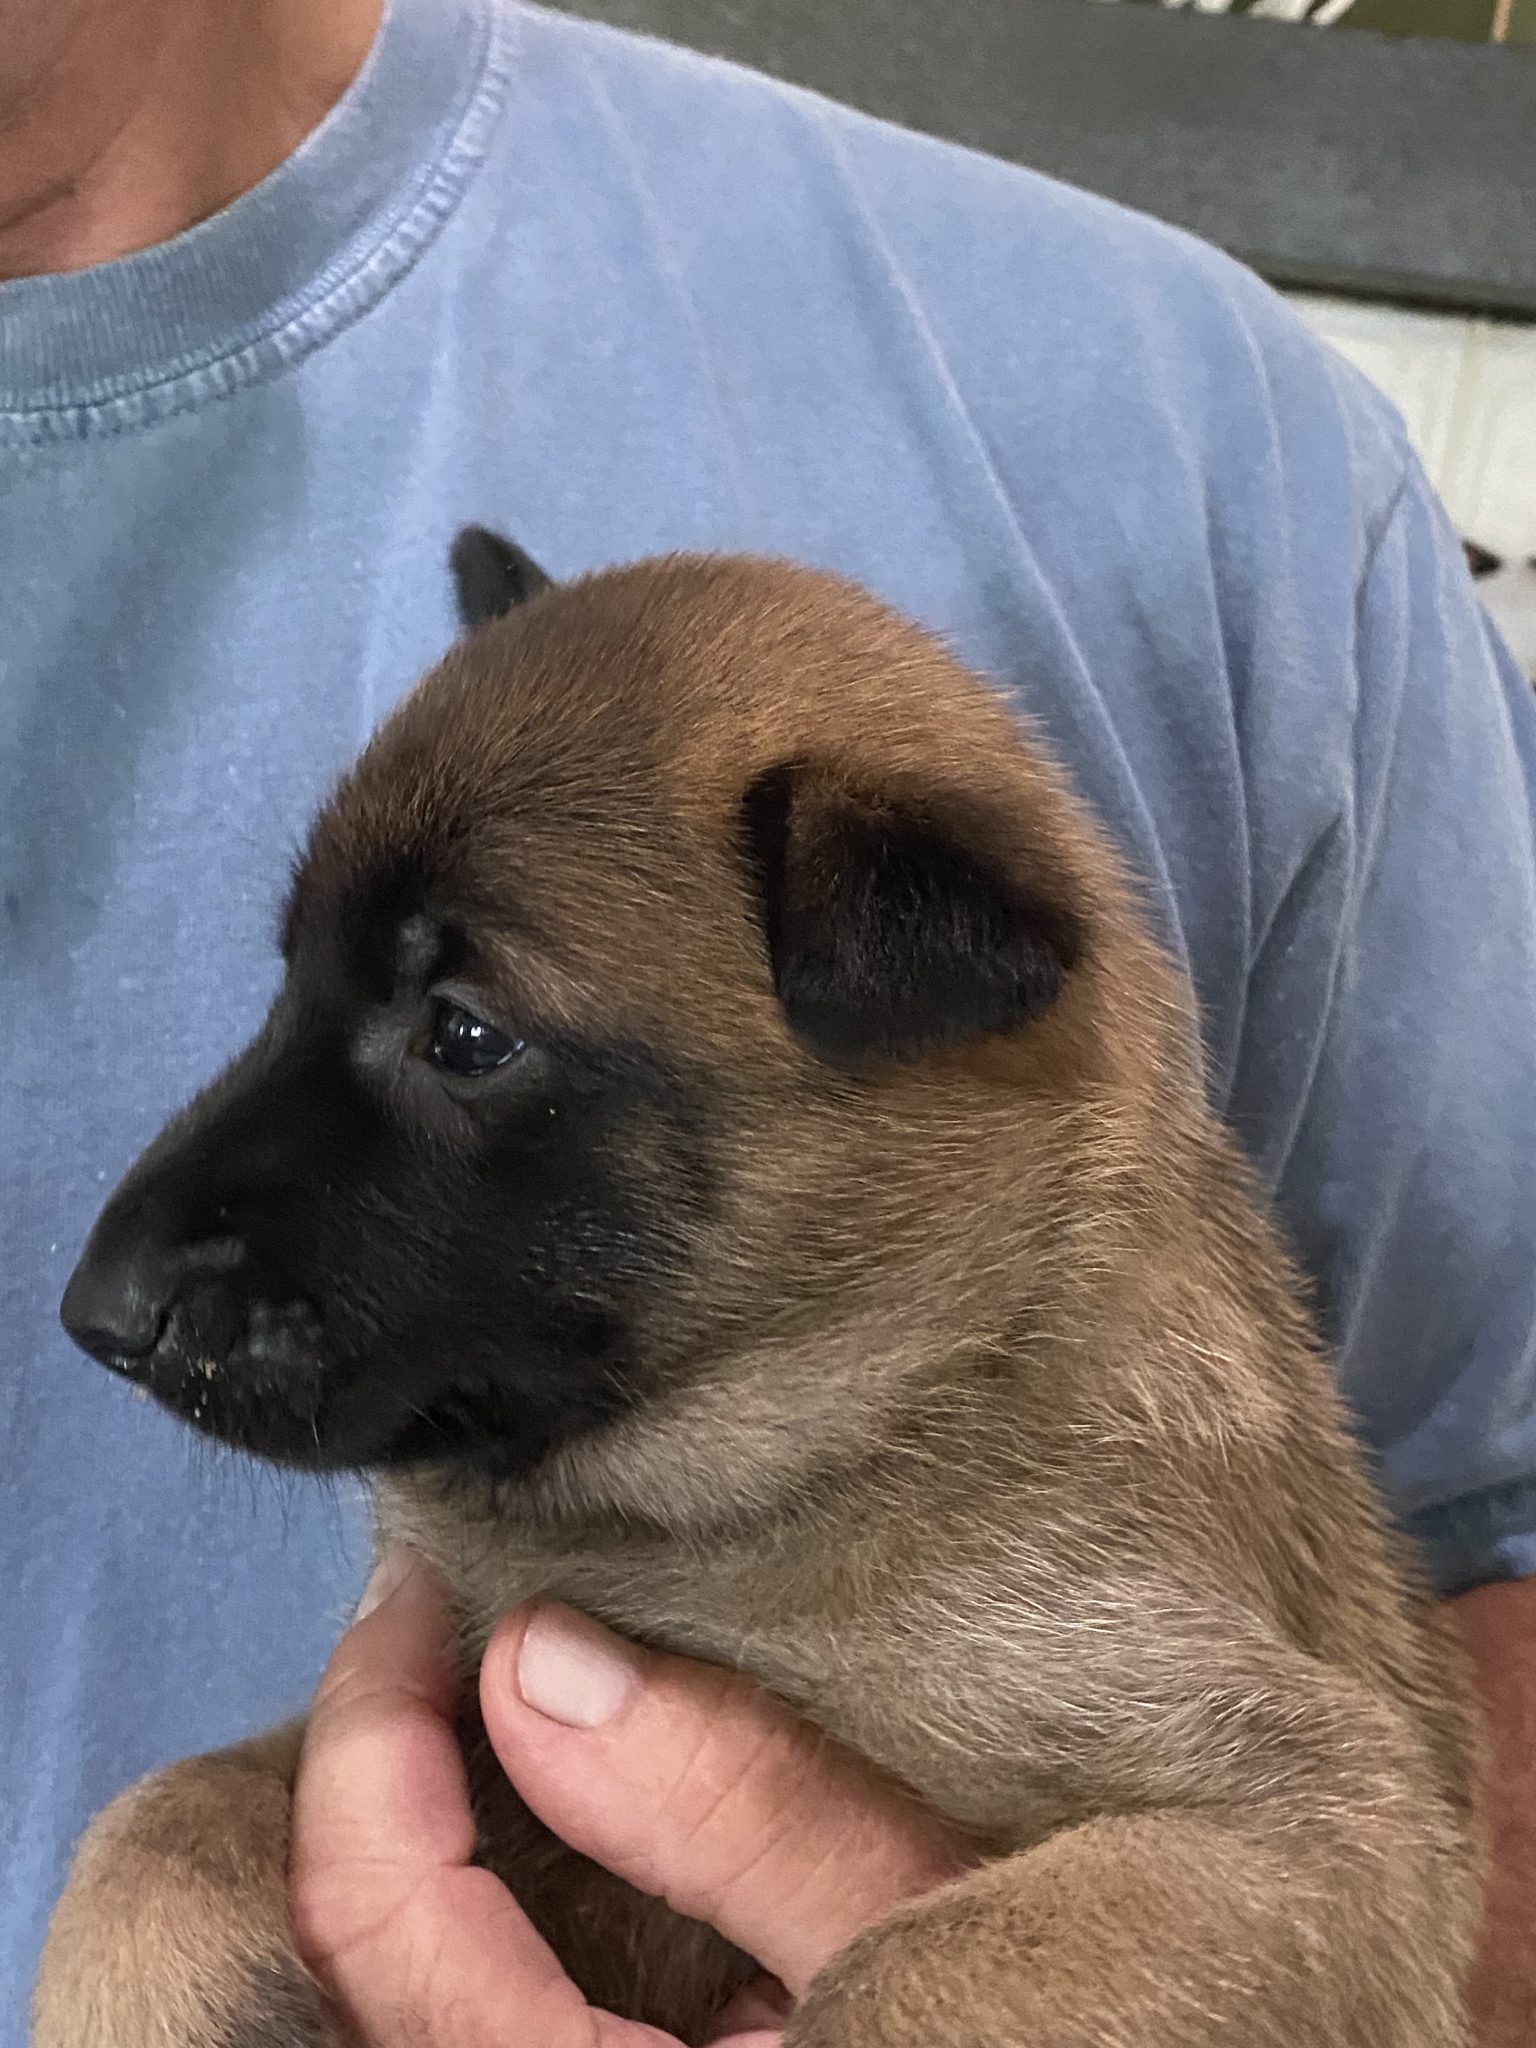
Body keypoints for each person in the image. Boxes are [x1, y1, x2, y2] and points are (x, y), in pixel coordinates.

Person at [3, 0, 1534, 2041]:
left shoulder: (1195, 440)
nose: (126, 1285)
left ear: (902, 975)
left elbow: (1360, 1795)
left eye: (463, 1042)